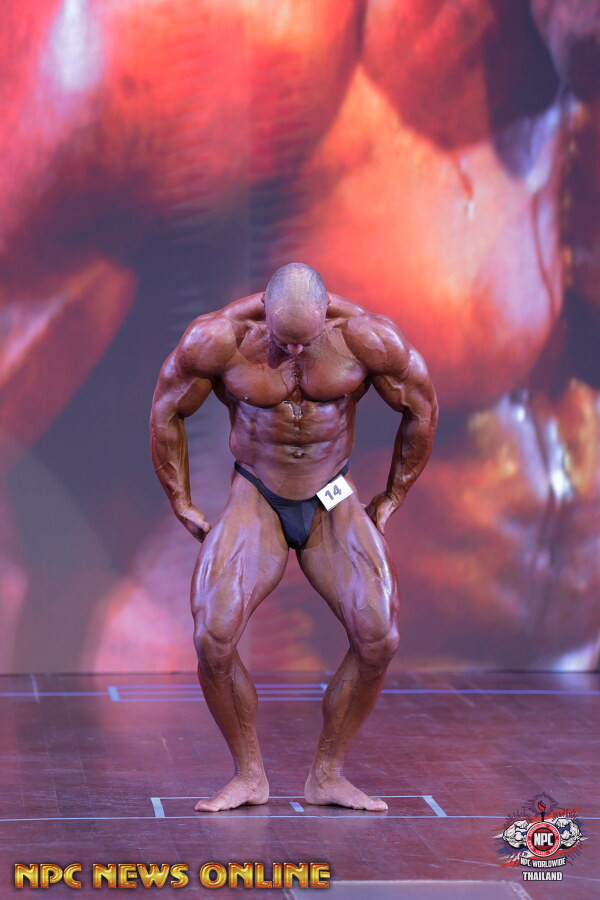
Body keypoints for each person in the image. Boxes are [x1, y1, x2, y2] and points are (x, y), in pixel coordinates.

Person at [150, 263, 438, 811]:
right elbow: (167, 412)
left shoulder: (366, 339)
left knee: (379, 636)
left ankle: (327, 774)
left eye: (306, 342)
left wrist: (393, 494)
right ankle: (249, 775)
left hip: (331, 494)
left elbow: (421, 409)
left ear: (326, 316)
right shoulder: (220, 339)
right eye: (284, 342)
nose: (296, 354)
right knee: (213, 636)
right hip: (257, 493)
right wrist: (179, 498)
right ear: (265, 311)